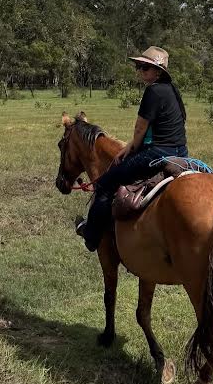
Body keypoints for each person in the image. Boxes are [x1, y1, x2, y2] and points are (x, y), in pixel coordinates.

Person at [75, 46, 188, 252]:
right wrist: (130, 145)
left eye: (145, 68)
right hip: (181, 153)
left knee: (105, 183)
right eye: (139, 67)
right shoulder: (173, 90)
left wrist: (132, 148)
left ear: (158, 71)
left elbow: (140, 127)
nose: (140, 71)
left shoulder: (153, 90)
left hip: (157, 153)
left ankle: (91, 235)